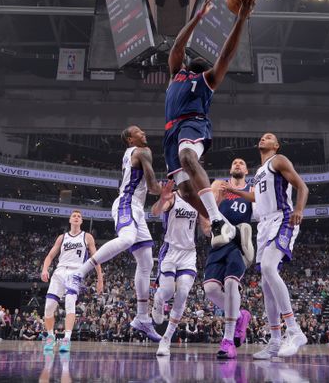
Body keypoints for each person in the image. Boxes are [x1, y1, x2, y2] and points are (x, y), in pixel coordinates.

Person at [163, 0, 256, 247]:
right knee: (184, 190)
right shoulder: (176, 74)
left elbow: (225, 55)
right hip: (171, 132)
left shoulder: (207, 79)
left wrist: (241, 19)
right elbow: (177, 46)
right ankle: (229, 229)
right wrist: (198, 16)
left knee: (187, 157)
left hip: (194, 123)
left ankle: (215, 221)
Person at [67, 126, 163, 341]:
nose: (143, 133)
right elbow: (153, 186)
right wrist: (168, 190)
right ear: (130, 139)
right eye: (139, 132)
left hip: (137, 207)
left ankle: (142, 318)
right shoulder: (142, 151)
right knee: (127, 239)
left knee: (146, 262)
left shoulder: (132, 153)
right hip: (127, 203)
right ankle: (79, 273)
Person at [227, 133, 309, 358]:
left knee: (269, 268)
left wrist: (299, 210)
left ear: (276, 145)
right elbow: (256, 198)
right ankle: (274, 340)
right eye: (262, 137)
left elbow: (303, 187)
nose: (263, 138)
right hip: (263, 226)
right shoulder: (259, 172)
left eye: (269, 137)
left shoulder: (279, 160)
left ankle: (294, 330)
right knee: (265, 284)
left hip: (282, 218)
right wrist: (234, 191)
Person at [203, 158, 254, 359]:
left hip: (238, 242)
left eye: (242, 162)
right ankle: (241, 315)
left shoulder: (253, 190)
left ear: (247, 170)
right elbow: (207, 216)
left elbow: (263, 209)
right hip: (220, 240)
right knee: (211, 289)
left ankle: (228, 340)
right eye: (234, 162)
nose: (238, 164)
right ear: (230, 169)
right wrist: (219, 199)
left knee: (231, 284)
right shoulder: (219, 185)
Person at [151, 189, 205, 356]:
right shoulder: (173, 196)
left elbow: (206, 227)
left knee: (182, 293)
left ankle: (166, 338)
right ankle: (158, 298)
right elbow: (154, 212)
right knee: (167, 292)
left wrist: (216, 230)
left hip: (189, 253)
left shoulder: (198, 198)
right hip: (170, 251)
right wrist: (162, 199)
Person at [41, 210, 103, 352]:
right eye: (74, 216)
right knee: (48, 307)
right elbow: (50, 256)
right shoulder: (62, 238)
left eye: (79, 216)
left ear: (81, 221)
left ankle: (66, 339)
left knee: (70, 303)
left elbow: (96, 258)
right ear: (70, 220)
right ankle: (51, 337)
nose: (76, 218)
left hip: (75, 272)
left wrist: (100, 278)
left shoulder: (87, 237)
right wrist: (45, 269)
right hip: (59, 271)